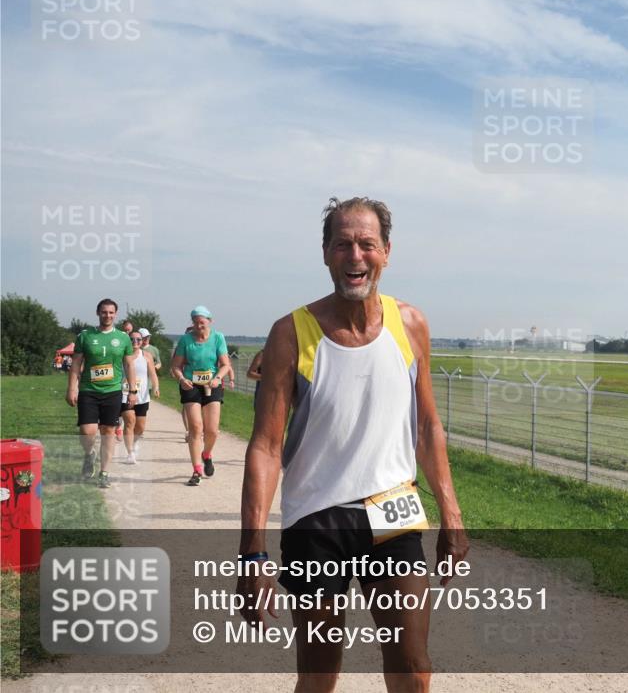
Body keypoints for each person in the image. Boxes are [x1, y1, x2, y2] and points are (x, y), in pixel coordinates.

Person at [237, 197, 468, 693]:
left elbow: (428, 427)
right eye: (342, 244)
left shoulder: (410, 324)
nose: (355, 256)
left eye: (367, 244)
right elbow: (266, 447)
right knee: (319, 676)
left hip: (394, 511)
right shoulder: (289, 334)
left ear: (386, 251)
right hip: (317, 521)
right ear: (325, 253)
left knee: (413, 665)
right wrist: (252, 554)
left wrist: (451, 513)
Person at [65, 298, 138, 489]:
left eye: (111, 312)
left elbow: (129, 364)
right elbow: (76, 364)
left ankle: (104, 472)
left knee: (108, 432)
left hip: (112, 392)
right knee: (87, 431)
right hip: (89, 390)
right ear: (98, 313)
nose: (108, 315)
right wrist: (72, 388)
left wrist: (132, 390)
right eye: (104, 312)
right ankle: (89, 455)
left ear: (116, 314)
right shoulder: (86, 336)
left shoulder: (123, 338)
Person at [171, 306, 231, 486]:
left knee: (212, 430)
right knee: (196, 428)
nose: (199, 325)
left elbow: (225, 365)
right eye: (196, 322)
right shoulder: (185, 340)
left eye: (202, 322)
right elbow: (175, 366)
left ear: (209, 321)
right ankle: (196, 470)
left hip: (212, 385)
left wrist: (218, 378)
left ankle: (206, 454)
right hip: (191, 386)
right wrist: (181, 379)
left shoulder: (218, 338)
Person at [120, 331, 160, 464]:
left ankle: (134, 442)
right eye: (132, 339)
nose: (135, 342)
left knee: (140, 428)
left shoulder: (147, 356)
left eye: (138, 339)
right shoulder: (122, 355)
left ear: (142, 341)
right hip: (125, 393)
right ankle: (130, 453)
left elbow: (153, 374)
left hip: (142, 396)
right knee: (130, 422)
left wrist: (156, 387)